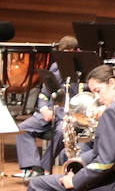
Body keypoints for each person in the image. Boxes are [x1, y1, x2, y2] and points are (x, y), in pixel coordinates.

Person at [14, 36, 80, 178]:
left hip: (68, 116)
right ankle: (34, 167)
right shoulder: (54, 67)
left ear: (76, 52)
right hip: (49, 112)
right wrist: (44, 109)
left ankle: (45, 168)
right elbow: (44, 94)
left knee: (62, 133)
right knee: (22, 129)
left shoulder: (81, 72)